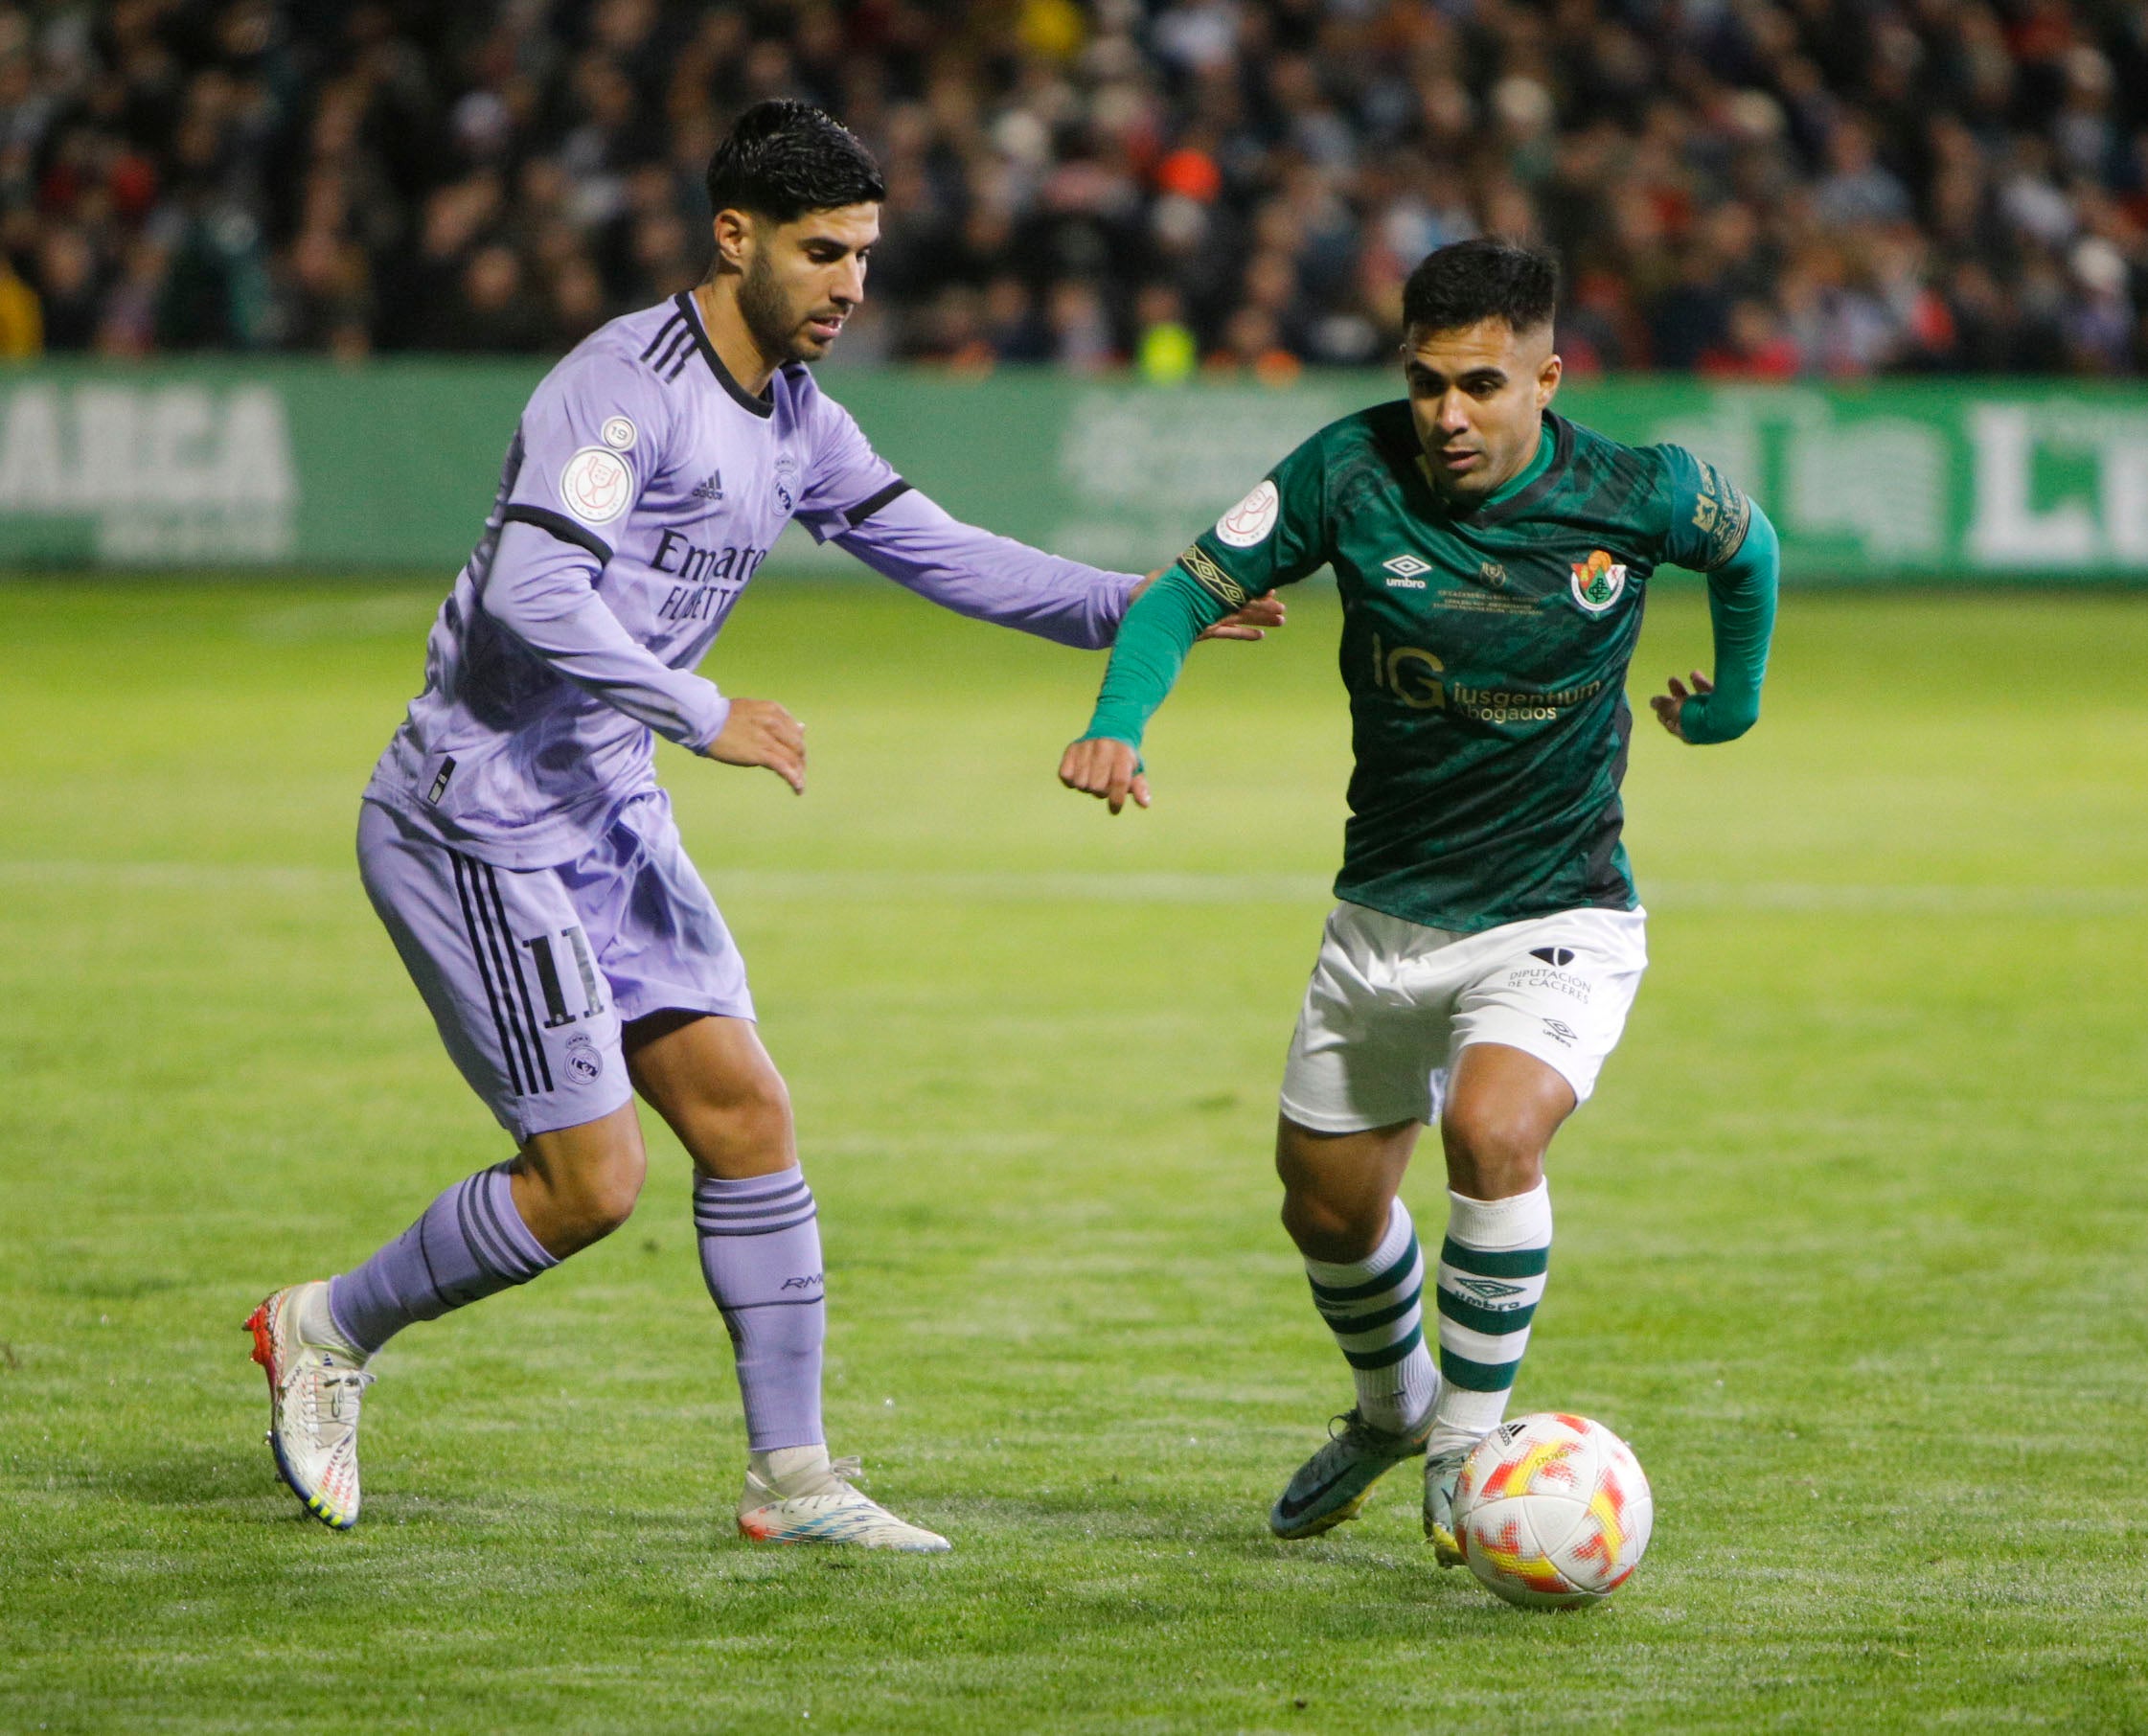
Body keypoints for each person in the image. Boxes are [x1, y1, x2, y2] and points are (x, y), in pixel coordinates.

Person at [245, 100, 1278, 1549]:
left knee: (745, 1119)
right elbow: (535, 597)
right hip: (479, 818)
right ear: (732, 239)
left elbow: (939, 550)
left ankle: (793, 1483)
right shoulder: (618, 389)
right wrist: (699, 709)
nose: (851, 284)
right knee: (590, 1186)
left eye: (863, 253)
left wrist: (1137, 602)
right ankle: (323, 1329)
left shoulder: (796, 418)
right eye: (820, 252)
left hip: (602, 812)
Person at [1057, 238, 1776, 1563]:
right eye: (1428, 382)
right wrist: (1120, 720)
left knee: (1495, 1136)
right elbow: (1181, 593)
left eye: (1483, 386)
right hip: (1383, 916)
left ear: (1547, 379)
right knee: (1322, 1206)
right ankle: (1391, 1412)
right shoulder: (1345, 469)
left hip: (1558, 909)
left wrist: (1730, 702)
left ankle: (1466, 1455)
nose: (1447, 415)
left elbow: (1748, 549)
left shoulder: (1636, 491)